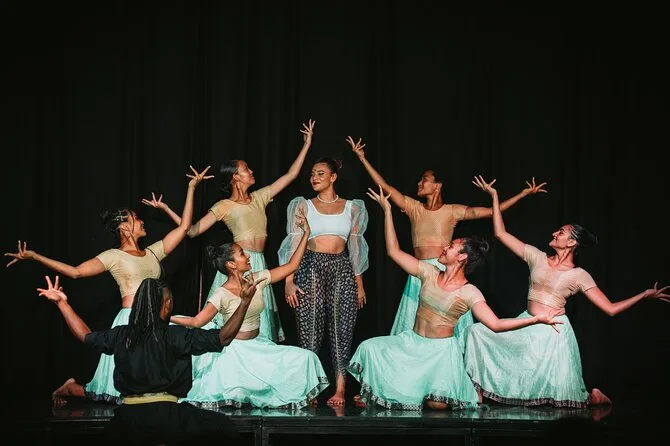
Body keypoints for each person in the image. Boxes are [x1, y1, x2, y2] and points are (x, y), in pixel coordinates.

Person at [5, 166, 213, 405]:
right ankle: (70, 388)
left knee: (160, 375)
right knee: (118, 391)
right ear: (124, 227)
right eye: (136, 218)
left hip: (157, 321)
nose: (142, 221)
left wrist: (191, 187)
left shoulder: (153, 252)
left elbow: (184, 228)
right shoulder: (113, 256)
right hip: (132, 320)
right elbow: (75, 272)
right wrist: (35, 257)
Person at [347, 186, 562, 411]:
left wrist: (536, 319)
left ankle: (451, 389)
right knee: (369, 348)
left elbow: (496, 324)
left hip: (440, 353)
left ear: (461, 257)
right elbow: (394, 252)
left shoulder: (469, 292)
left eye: (450, 247)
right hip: (412, 343)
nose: (444, 247)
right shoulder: (429, 273)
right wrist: (387, 211)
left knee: (437, 405)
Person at [464, 175, 670, 407]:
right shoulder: (537, 257)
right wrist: (494, 196)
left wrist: (644, 294)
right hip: (527, 323)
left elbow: (610, 309)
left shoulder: (579, 275)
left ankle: (596, 396)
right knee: (477, 332)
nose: (554, 233)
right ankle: (476, 390)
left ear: (571, 243)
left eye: (561, 232)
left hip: (552, 333)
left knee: (566, 400)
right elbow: (501, 234)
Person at [347, 136, 547, 341]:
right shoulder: (414, 207)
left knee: (445, 326)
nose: (419, 183)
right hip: (420, 271)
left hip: (444, 271)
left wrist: (522, 194)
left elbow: (491, 212)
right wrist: (362, 158)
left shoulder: (452, 211)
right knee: (414, 324)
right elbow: (386, 187)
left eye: (424, 179)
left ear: (437, 185)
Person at [145, 120, 315, 343]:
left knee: (257, 320)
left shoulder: (260, 196)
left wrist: (306, 144)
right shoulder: (224, 206)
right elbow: (191, 230)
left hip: (258, 262)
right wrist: (179, 199)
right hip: (239, 263)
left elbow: (291, 175)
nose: (251, 172)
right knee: (233, 321)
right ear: (235, 176)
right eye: (246, 169)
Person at [36, 274, 254, 444]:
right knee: (223, 428)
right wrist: (244, 302)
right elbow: (223, 337)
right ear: (166, 305)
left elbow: (85, 336)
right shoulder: (176, 335)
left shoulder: (122, 335)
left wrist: (63, 304)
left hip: (128, 419)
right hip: (167, 418)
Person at [170, 209, 329, 409]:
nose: (247, 257)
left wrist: (306, 233)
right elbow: (197, 321)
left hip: (258, 346)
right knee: (235, 390)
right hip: (235, 352)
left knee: (306, 358)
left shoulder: (256, 279)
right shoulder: (222, 293)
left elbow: (291, 266)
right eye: (242, 254)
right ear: (231, 264)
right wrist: (168, 318)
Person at [278, 157, 369, 406]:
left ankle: (340, 389)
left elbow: (356, 248)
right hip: (310, 266)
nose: (314, 178)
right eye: (312, 174)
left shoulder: (352, 207)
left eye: (320, 173)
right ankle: (310, 388)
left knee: (342, 329)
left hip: (341, 267)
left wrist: (359, 284)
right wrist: (288, 280)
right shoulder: (302, 205)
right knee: (309, 328)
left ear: (333, 177)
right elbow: (292, 243)